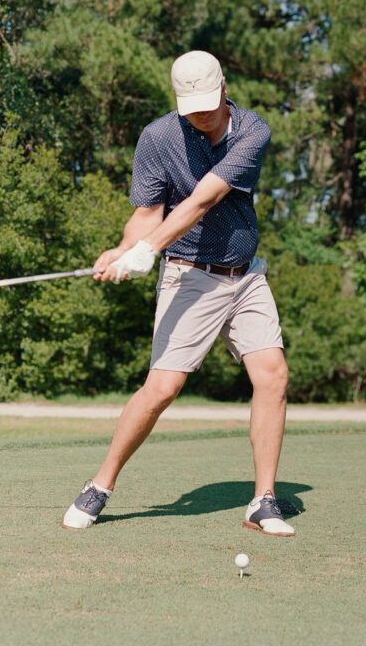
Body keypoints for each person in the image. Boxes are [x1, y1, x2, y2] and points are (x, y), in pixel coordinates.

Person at [63, 50, 294, 537]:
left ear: (225, 86)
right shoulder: (159, 137)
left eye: (209, 103)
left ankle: (263, 500)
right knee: (162, 388)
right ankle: (100, 485)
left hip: (246, 275)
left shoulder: (252, 131)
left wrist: (148, 249)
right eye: (192, 106)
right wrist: (123, 249)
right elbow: (148, 212)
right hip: (190, 276)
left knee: (272, 375)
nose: (202, 114)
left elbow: (205, 198)